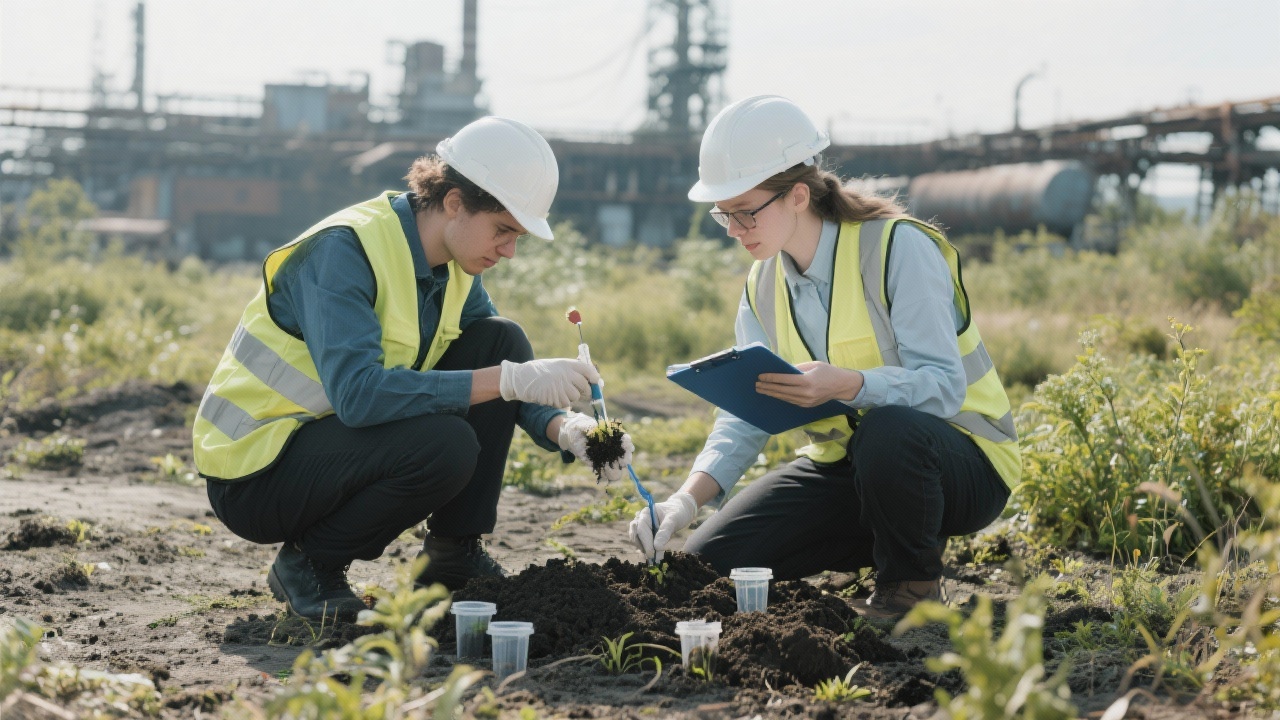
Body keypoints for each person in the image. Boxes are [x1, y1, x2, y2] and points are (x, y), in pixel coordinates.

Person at [193, 116, 633, 621]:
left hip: (327, 443)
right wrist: (511, 378)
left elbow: (496, 366)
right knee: (445, 444)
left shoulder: (454, 270)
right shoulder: (344, 252)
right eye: (503, 230)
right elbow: (360, 397)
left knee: (500, 338)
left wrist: (564, 427)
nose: (509, 250)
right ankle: (309, 565)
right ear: (453, 202)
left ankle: (452, 555)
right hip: (256, 470)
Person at [628, 95, 1019, 621]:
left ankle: (911, 586)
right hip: (855, 471)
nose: (734, 230)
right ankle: (877, 540)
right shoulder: (762, 284)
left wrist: (848, 385)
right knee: (707, 568)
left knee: (888, 432)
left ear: (796, 196)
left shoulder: (895, 247)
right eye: (724, 215)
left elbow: (944, 387)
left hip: (964, 464)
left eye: (745, 211)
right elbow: (746, 413)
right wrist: (685, 500)